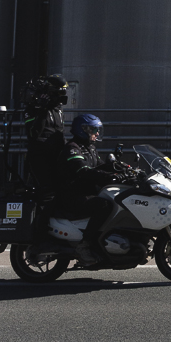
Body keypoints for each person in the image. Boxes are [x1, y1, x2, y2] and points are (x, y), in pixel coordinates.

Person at [56, 113, 115, 265]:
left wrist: (118, 169)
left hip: (85, 193)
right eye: (93, 130)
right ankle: (85, 245)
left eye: (97, 130)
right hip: (73, 195)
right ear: (83, 130)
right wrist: (107, 177)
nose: (96, 133)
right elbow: (83, 171)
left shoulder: (90, 148)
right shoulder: (72, 149)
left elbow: (100, 166)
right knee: (104, 206)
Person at [23, 74, 69, 188]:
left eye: (63, 93)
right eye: (59, 92)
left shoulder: (58, 109)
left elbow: (60, 132)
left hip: (57, 156)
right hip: (40, 158)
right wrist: (43, 110)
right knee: (45, 191)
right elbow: (33, 134)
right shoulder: (34, 109)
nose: (61, 97)